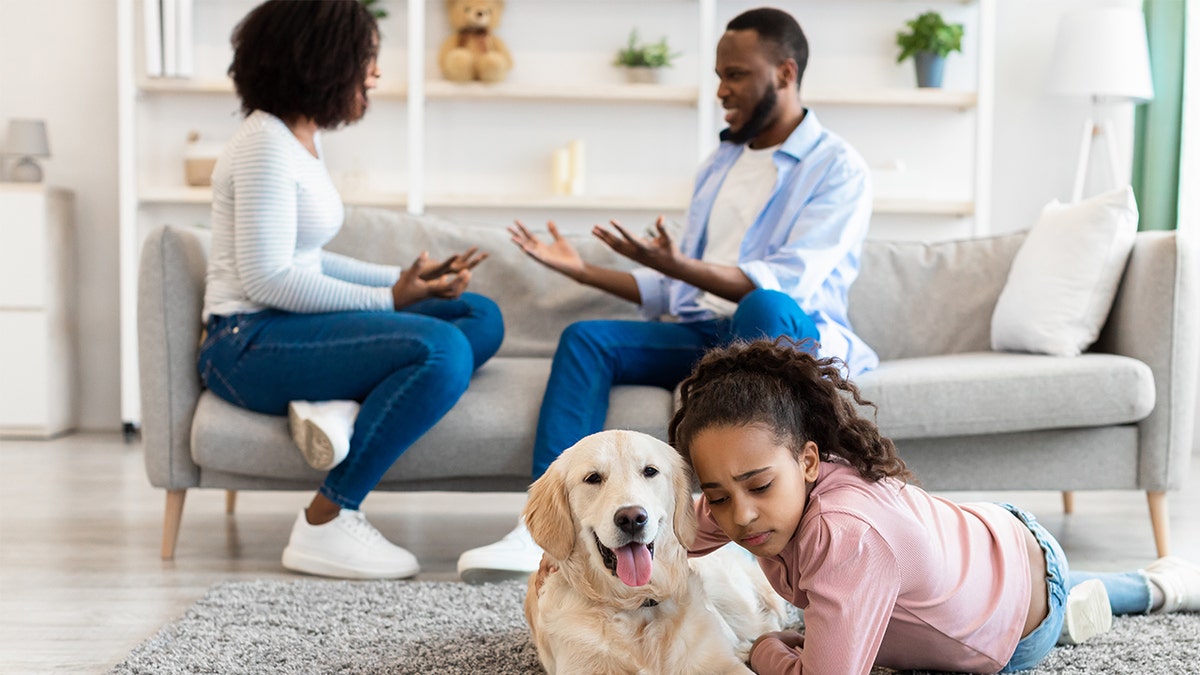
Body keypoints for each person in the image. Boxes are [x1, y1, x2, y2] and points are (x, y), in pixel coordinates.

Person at [457, 6, 878, 581]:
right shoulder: (721, 163)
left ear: (783, 72)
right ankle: (547, 534)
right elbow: (677, 281)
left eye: (735, 74)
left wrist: (677, 263)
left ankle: (766, 524)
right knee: (588, 339)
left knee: (764, 304)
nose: (721, 90)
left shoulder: (838, 167)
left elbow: (786, 281)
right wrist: (583, 271)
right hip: (706, 334)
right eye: (718, 74)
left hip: (776, 330)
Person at [667, 338, 1200, 674]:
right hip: (1000, 540)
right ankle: (1156, 583)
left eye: (758, 486)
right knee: (1070, 583)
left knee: (1054, 606)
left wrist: (764, 648)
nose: (740, 515)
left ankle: (1122, 599)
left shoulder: (849, 535)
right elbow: (675, 528)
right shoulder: (772, 486)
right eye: (718, 494)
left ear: (808, 461)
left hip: (1016, 629)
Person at [199, 0, 504, 580]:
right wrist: (391, 301)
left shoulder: (299, 141)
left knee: (478, 313)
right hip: (245, 346)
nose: (375, 73)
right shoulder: (263, 144)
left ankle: (336, 406)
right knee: (443, 350)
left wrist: (404, 282)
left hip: (286, 331)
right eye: (367, 58)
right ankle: (327, 520)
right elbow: (269, 279)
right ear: (322, 61)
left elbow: (307, 258)